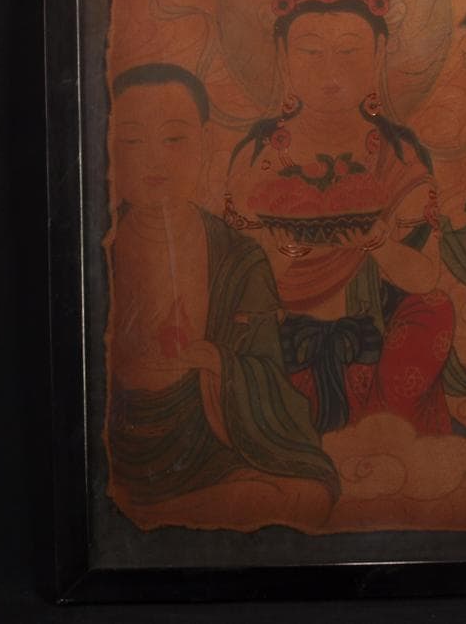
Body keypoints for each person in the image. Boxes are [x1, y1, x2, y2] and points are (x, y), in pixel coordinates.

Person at [225, 0, 461, 438]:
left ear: (378, 54)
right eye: (311, 51)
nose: (330, 71)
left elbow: (426, 277)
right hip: (283, 336)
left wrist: (377, 243)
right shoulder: (259, 155)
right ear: (283, 57)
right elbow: (237, 277)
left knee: (434, 310)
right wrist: (284, 254)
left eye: (349, 51)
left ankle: (386, 431)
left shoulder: (397, 154)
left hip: (373, 336)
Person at [104, 62, 338, 531]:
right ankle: (145, 515)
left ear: (206, 143)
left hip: (214, 443)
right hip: (125, 442)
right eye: (131, 141)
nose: (154, 160)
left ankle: (153, 520)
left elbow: (269, 376)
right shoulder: (97, 250)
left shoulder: (238, 257)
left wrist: (213, 361)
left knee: (309, 498)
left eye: (174, 139)